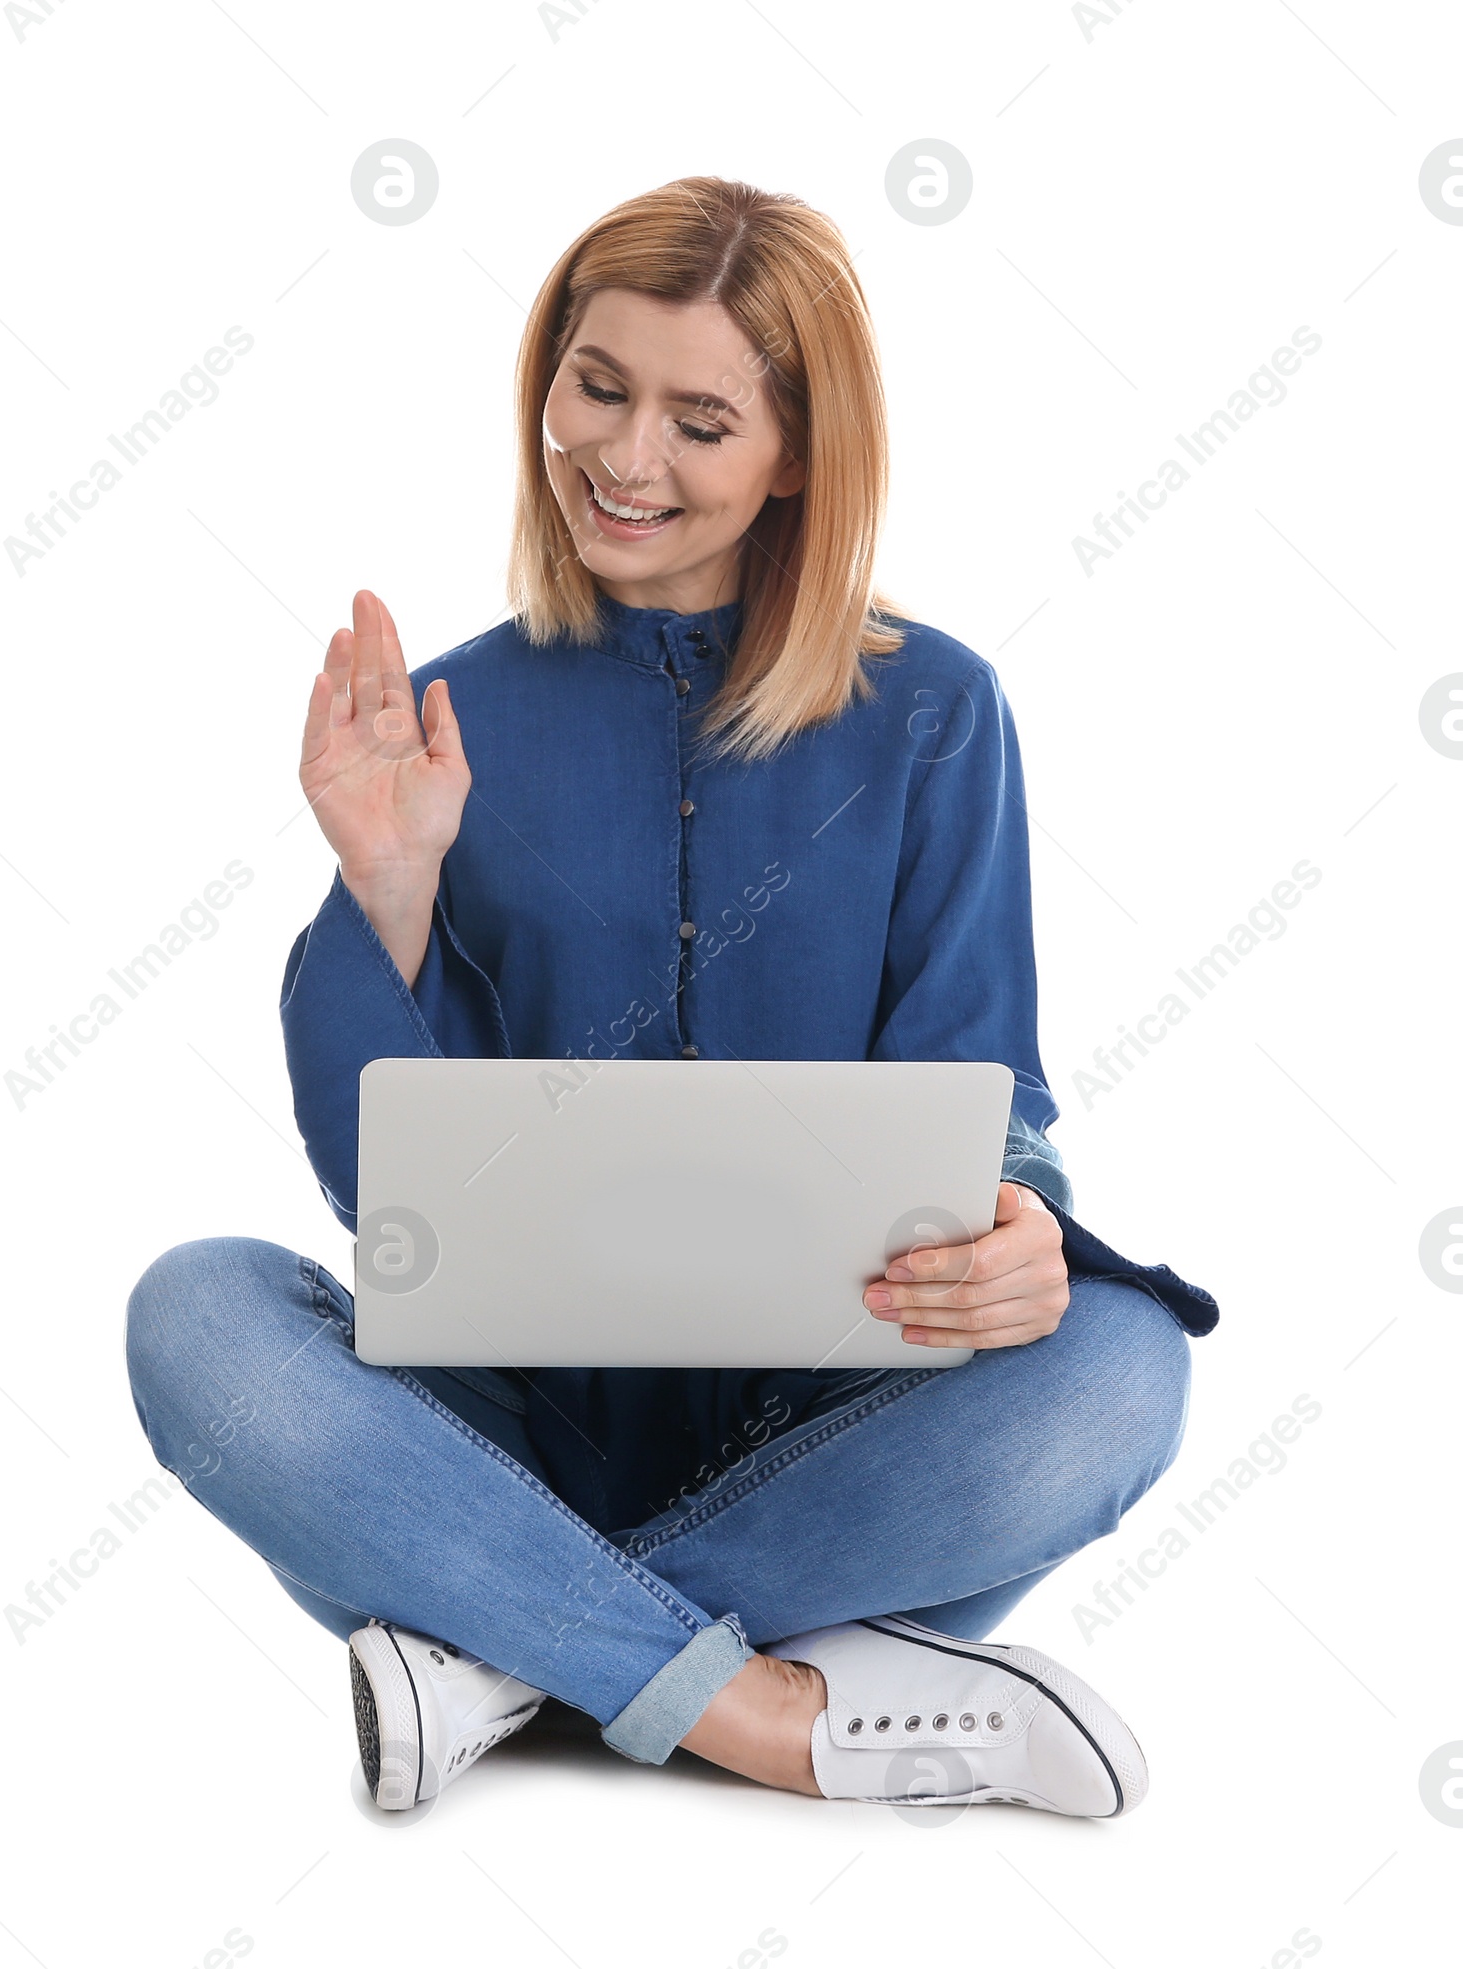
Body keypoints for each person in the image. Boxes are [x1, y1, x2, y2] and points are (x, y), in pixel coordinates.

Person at [126, 176, 1216, 1819]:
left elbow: (985, 1083)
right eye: (599, 386)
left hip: (835, 1435)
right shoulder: (445, 720)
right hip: (496, 1426)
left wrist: (1021, 1226)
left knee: (1126, 1362)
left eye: (702, 421)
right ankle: (768, 1705)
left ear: (798, 453)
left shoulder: (937, 711)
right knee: (194, 1312)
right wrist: (387, 885)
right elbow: (377, 1190)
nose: (626, 460)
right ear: (545, 381)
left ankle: (495, 1656)